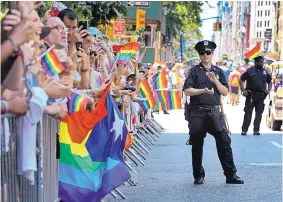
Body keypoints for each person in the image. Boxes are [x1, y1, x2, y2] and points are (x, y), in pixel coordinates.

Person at [183, 40, 244, 185]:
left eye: (208, 52)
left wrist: (215, 81)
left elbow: (224, 92)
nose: (205, 55)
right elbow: (187, 90)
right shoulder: (193, 71)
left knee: (224, 141)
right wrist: (203, 90)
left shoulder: (218, 71)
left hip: (214, 112)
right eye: (202, 53)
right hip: (197, 113)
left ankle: (231, 175)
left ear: (212, 54)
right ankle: (198, 175)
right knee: (197, 144)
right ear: (199, 55)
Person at [240, 55, 272, 135]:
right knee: (248, 113)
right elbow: (241, 79)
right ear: (256, 62)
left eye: (262, 62)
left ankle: (256, 130)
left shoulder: (265, 72)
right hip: (251, 95)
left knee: (259, 114)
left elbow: (270, 81)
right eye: (259, 62)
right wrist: (243, 90)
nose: (261, 63)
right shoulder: (250, 71)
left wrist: (269, 89)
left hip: (261, 96)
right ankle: (244, 130)